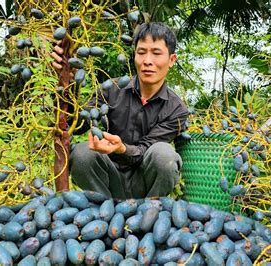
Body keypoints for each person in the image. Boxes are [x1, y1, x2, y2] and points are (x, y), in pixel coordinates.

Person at [52, 22, 189, 199]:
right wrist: (68, 84)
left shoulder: (176, 109)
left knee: (164, 155)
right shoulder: (111, 89)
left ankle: (151, 214)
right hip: (108, 180)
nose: (147, 61)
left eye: (156, 53)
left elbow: (146, 149)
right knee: (82, 153)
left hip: (145, 184)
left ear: (171, 60)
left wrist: (122, 149)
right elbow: (78, 124)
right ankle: (102, 211)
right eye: (141, 52)